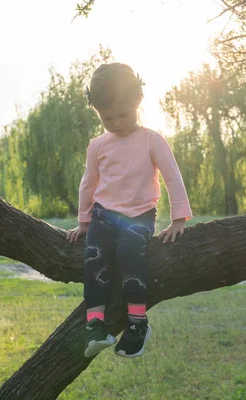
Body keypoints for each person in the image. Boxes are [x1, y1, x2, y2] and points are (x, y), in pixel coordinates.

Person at [66, 62, 192, 358]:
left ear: (137, 101)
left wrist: (178, 219)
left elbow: (172, 176)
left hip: (138, 216)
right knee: (94, 260)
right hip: (103, 216)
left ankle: (137, 323)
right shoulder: (97, 145)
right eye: (107, 118)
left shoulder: (152, 140)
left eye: (122, 115)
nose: (117, 123)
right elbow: (88, 183)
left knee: (129, 256)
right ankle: (94, 327)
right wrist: (84, 222)